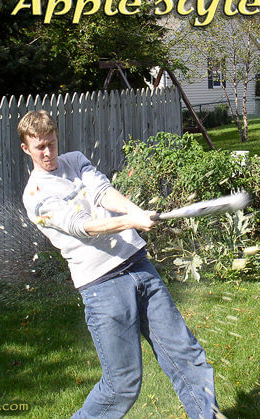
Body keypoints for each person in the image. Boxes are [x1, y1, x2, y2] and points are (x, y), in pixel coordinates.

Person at [18, 110, 219, 419]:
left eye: (51, 143)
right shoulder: (35, 196)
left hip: (138, 266)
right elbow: (82, 225)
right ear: (26, 149)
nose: (48, 153)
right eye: (39, 147)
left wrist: (137, 211)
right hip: (102, 286)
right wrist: (130, 220)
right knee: (122, 385)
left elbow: (103, 193)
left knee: (187, 356)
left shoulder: (75, 160)